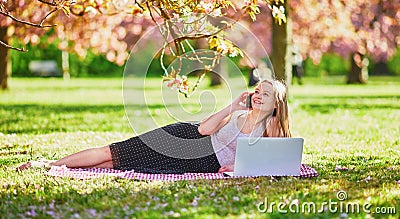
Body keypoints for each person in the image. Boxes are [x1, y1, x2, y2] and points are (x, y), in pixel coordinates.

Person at [17, 79, 292, 173]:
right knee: (113, 152)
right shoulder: (237, 115)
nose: (258, 95)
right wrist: (232, 106)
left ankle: (63, 168)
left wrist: (237, 168)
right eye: (257, 90)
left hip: (201, 163)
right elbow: (204, 130)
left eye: (265, 94)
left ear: (276, 104)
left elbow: (278, 161)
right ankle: (49, 164)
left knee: (122, 164)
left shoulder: (272, 129)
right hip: (186, 138)